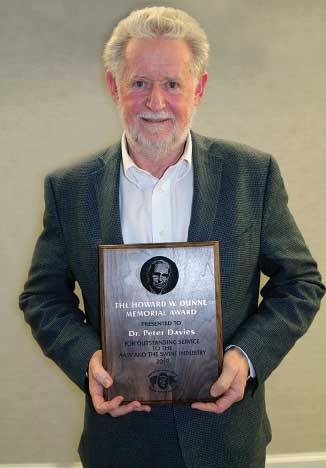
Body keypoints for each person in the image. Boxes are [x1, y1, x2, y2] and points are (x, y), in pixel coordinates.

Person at [19, 6, 324, 468]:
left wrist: (245, 358)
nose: (155, 102)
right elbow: (43, 296)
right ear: (114, 86)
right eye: (140, 82)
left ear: (198, 89)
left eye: (173, 84)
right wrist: (88, 362)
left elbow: (300, 283)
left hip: (227, 441)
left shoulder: (252, 175)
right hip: (119, 442)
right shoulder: (70, 189)